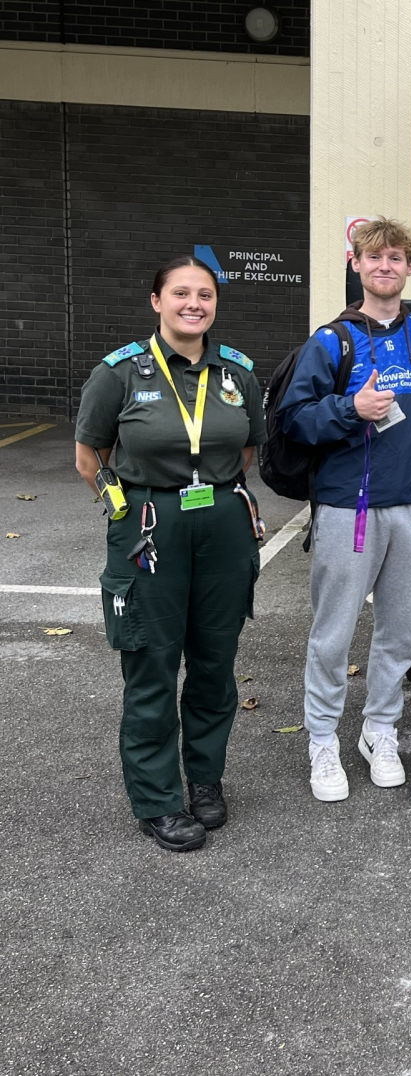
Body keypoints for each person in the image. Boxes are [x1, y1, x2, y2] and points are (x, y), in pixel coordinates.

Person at [74, 256, 266, 852]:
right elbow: (89, 457)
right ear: (156, 301)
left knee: (214, 661)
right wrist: (122, 506)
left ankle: (205, 781)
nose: (194, 304)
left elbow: (248, 452)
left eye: (204, 294)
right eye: (180, 293)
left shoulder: (237, 372)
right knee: (152, 663)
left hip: (222, 527)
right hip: (149, 528)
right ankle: (158, 800)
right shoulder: (120, 373)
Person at [278, 218, 411, 803]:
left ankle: (379, 730)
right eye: (375, 258)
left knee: (402, 629)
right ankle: (322, 738)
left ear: (409, 267)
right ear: (357, 264)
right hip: (352, 507)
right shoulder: (331, 341)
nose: (386, 267)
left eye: (397, 258)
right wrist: (351, 408)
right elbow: (295, 419)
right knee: (334, 632)